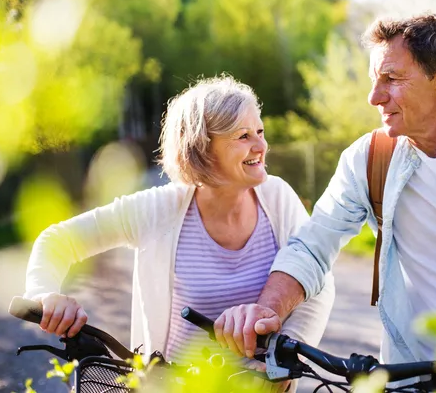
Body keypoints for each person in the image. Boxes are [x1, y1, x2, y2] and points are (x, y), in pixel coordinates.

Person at [214, 14, 436, 393]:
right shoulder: (367, 158)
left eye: (391, 79)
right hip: (407, 379)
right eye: (375, 81)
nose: (374, 97)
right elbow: (312, 243)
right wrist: (268, 310)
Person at [22, 74, 335, 387]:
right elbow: (57, 241)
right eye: (243, 136)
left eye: (260, 131)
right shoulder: (156, 210)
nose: (261, 145)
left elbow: (317, 282)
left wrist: (284, 359)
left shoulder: (277, 197)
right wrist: (44, 294)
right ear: (202, 148)